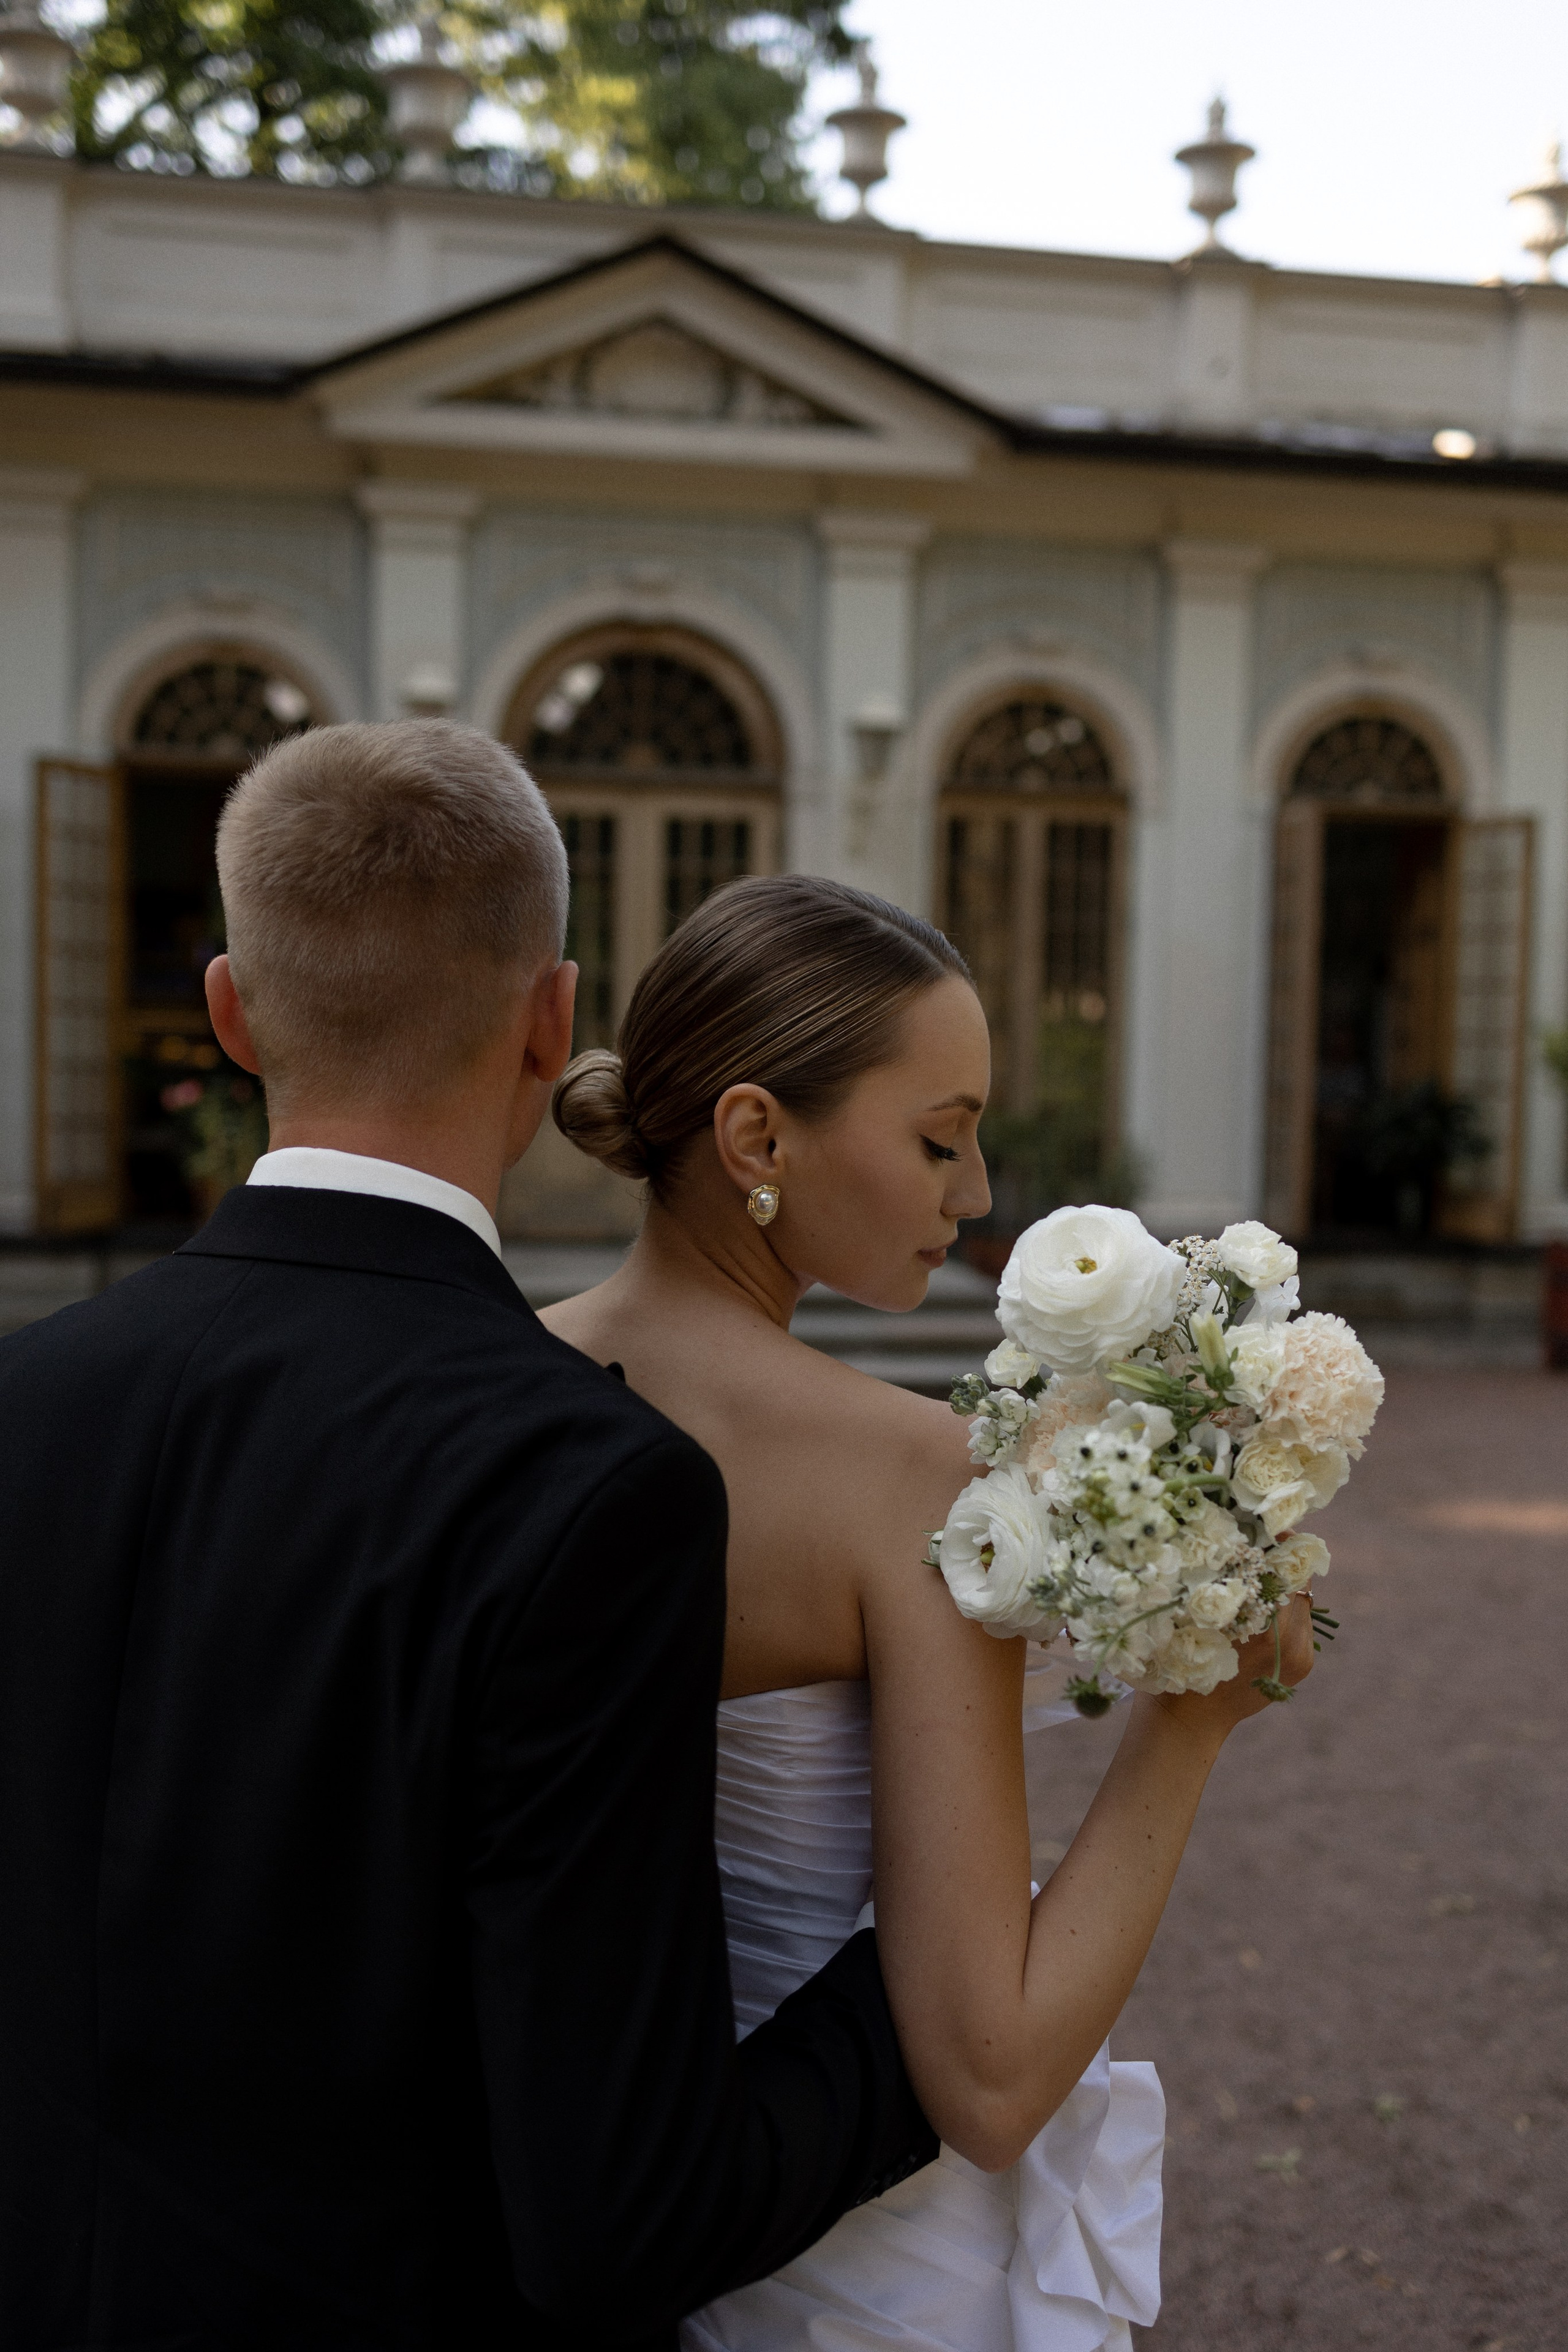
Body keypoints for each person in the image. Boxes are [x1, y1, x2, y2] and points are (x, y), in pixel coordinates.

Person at [0, 725, 938, 2352]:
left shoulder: (26, 1397)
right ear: (551, 1021)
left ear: (230, 1011)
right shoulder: (591, 1488)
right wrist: (904, 1988)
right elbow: (629, 2217)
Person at [545, 875, 1314, 2352]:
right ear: (756, 1138)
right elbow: (988, 2074)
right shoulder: (901, 1476)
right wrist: (1191, 1724)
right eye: (938, 1139)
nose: (972, 1196)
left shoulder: (499, 1387)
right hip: (853, 2250)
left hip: (584, 2192)